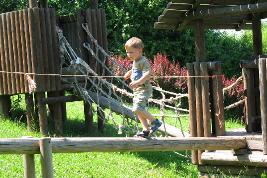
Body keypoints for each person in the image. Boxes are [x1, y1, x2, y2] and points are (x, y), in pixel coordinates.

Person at [123, 37, 162, 138]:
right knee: (139, 111)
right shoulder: (136, 61)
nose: (128, 55)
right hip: (137, 90)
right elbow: (135, 70)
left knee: (137, 109)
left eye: (131, 52)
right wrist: (129, 72)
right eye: (127, 52)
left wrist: (137, 82)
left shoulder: (143, 61)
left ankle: (155, 122)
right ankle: (145, 130)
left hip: (144, 89)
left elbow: (147, 74)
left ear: (140, 50)